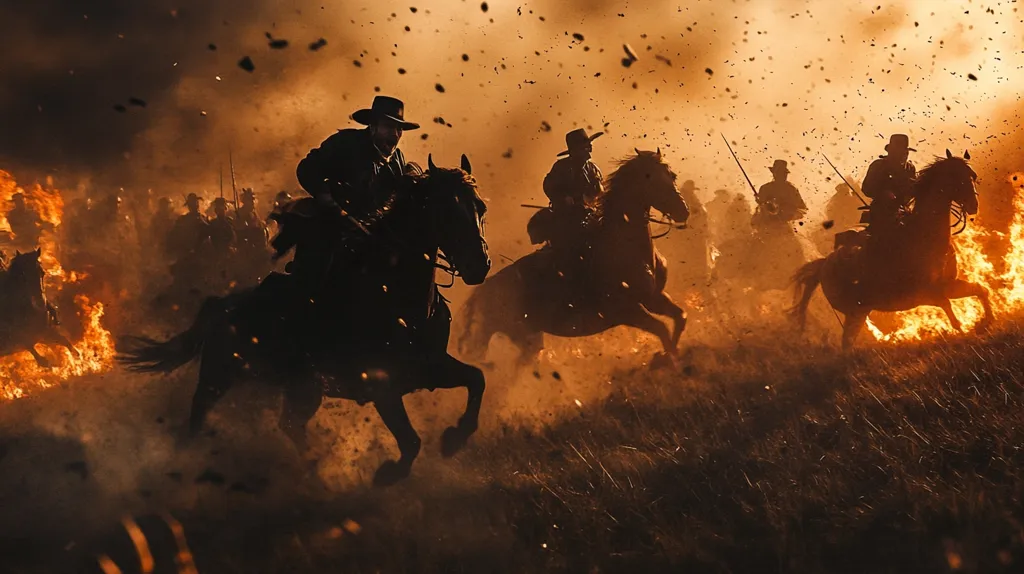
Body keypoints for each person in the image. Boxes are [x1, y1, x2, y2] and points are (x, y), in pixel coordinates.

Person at [296, 95, 419, 219]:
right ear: (373, 126)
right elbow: (307, 169)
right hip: (333, 223)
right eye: (388, 126)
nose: (395, 134)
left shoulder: (397, 160)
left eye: (399, 129)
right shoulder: (346, 143)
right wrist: (327, 199)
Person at [527, 128, 605, 261]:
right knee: (571, 247)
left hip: (591, 214)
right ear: (575, 151)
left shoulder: (593, 169)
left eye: (589, 146)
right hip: (568, 217)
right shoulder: (561, 168)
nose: (590, 150)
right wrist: (564, 199)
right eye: (585, 147)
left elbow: (600, 192)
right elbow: (549, 187)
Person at [861, 134, 917, 243]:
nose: (904, 155)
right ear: (891, 152)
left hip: (905, 211)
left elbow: (913, 189)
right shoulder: (878, 166)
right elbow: (866, 188)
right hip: (881, 211)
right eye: (900, 152)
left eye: (905, 152)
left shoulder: (910, 168)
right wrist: (883, 193)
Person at [752, 160, 807, 232]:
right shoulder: (765, 188)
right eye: (780, 173)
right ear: (774, 174)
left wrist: (787, 211)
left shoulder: (791, 190)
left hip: (784, 228)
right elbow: (760, 208)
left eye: (784, 173)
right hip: (766, 227)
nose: (783, 176)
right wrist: (761, 202)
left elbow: (802, 209)